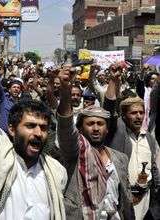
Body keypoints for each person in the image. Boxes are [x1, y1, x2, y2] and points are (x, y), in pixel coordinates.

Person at [0, 13, 67, 220]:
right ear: (11, 129)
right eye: (30, 126)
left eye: (43, 128)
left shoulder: (56, 173)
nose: (38, 133)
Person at [57, 65, 134, 219]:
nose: (96, 128)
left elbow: (125, 200)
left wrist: (113, 80)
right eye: (90, 124)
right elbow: (65, 126)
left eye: (100, 124)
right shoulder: (76, 152)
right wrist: (66, 89)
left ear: (107, 128)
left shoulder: (120, 159)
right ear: (80, 128)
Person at [104, 63, 160, 220]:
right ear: (123, 116)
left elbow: (154, 169)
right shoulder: (118, 132)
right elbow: (109, 110)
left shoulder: (148, 137)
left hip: (147, 202)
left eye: (141, 113)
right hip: (122, 202)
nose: (139, 116)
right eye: (134, 113)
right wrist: (114, 81)